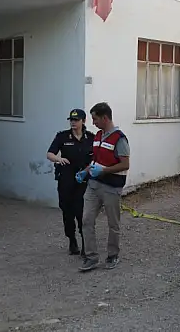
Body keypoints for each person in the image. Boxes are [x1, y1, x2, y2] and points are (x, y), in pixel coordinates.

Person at [79, 102, 130, 272]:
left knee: (113, 223)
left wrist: (104, 170)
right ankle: (91, 257)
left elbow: (125, 164)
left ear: (105, 118)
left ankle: (113, 255)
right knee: (86, 220)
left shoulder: (119, 139)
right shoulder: (98, 136)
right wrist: (85, 171)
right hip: (93, 186)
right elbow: (96, 160)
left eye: (95, 119)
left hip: (111, 187)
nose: (93, 123)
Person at [46, 109, 94, 256]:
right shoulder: (62, 136)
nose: (73, 122)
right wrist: (58, 159)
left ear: (83, 121)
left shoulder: (91, 138)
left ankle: (85, 243)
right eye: (71, 120)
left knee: (82, 212)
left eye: (76, 120)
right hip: (66, 179)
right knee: (67, 211)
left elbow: (96, 158)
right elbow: (50, 154)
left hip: (83, 179)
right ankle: (72, 240)